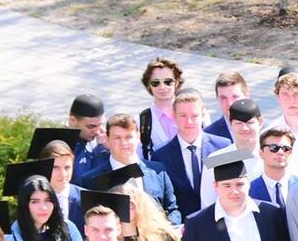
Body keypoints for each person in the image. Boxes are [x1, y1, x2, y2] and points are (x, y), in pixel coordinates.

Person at [83, 113, 182, 225]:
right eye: (117, 138)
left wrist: (165, 228)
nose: (123, 143)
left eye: (128, 137)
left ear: (138, 137)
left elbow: (173, 210)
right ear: (107, 138)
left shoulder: (157, 171)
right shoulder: (91, 180)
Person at [153, 90, 229, 219]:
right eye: (183, 115)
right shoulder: (160, 154)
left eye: (194, 116)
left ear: (203, 115)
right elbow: (162, 199)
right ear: (173, 116)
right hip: (182, 224)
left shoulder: (222, 146)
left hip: (219, 221)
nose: (189, 121)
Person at [137, 56, 182, 160]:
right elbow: (139, 160)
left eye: (168, 82)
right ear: (149, 85)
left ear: (177, 82)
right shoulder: (141, 122)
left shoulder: (196, 113)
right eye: (155, 83)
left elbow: (209, 149)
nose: (162, 87)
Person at [67, 93, 109, 183]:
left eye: (100, 125)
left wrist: (112, 150)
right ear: (73, 121)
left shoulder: (104, 143)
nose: (97, 132)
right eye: (91, 126)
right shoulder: (60, 147)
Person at [205, 71, 249, 140]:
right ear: (217, 99)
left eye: (235, 96)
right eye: (223, 98)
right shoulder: (208, 136)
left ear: (247, 96)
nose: (229, 103)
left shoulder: (263, 129)